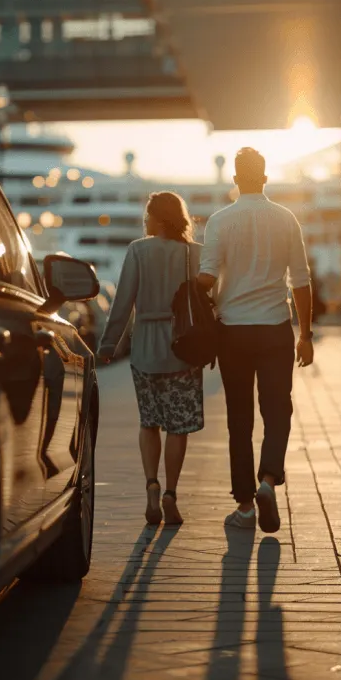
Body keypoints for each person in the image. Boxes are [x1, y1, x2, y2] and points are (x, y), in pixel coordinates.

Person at [198, 147, 313, 534]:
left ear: (235, 180)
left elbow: (208, 276)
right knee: (278, 410)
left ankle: (245, 506)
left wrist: (184, 300)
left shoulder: (219, 221)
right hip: (275, 328)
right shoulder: (285, 219)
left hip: (233, 332)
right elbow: (300, 280)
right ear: (265, 178)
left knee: (239, 419)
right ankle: (268, 480)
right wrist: (306, 335)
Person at [97, 192, 204, 527]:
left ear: (157, 217)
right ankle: (171, 491)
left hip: (144, 348)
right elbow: (208, 302)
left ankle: (151, 485)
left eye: (148, 214)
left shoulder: (138, 250)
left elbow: (123, 301)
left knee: (149, 422)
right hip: (183, 350)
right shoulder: (195, 254)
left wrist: (108, 343)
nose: (145, 219)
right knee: (178, 426)